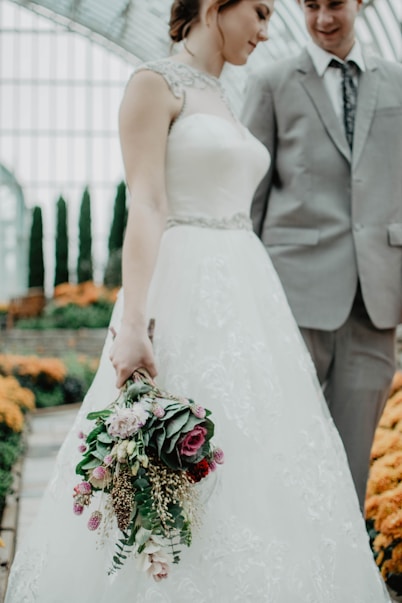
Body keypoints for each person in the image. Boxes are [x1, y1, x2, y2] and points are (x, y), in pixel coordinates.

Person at [5, 1, 391, 601]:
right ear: (216, 7)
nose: (267, 30)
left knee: (256, 461)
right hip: (182, 289)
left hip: (249, 295)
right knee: (169, 456)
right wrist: (133, 322)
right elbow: (147, 206)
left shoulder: (223, 92)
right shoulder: (151, 84)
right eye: (259, 13)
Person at [242, 0, 402, 510]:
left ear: (362, 4)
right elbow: (251, 198)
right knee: (288, 448)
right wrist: (246, 293)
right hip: (294, 298)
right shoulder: (271, 83)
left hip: (377, 301)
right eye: (310, 6)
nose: (322, 19)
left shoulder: (399, 82)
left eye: (335, 4)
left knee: (354, 460)